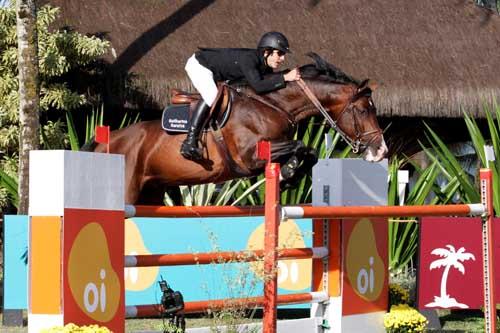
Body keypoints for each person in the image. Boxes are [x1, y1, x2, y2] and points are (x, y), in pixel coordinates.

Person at [180, 31, 301, 161]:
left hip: (216, 73)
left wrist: (286, 77)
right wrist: (285, 77)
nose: (282, 59)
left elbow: (268, 83)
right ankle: (190, 141)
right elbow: (259, 86)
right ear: (266, 52)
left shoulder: (264, 66)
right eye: (280, 53)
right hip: (199, 65)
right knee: (211, 95)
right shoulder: (249, 59)